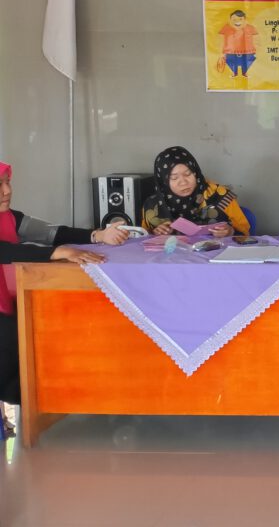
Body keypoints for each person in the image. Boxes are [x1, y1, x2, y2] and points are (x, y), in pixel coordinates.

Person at [0, 161, 118, 413]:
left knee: (25, 367)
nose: (7, 191)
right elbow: (5, 250)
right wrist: (55, 253)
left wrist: (97, 236)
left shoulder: (10, 218)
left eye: (7, 182)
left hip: (7, 306)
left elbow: (52, 233)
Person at [141, 147, 250, 236]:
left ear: (195, 172)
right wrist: (155, 233)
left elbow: (245, 232)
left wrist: (231, 231)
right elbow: (142, 238)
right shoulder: (153, 206)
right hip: (172, 256)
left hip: (216, 254)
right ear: (163, 182)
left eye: (188, 174)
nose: (183, 182)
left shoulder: (221, 196)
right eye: (174, 178)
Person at [217, 9, 259, 78]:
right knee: (231, 61)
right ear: (230, 20)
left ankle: (244, 73)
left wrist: (256, 49)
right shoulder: (226, 27)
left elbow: (256, 39)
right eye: (234, 19)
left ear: (244, 20)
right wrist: (221, 52)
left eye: (240, 19)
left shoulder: (250, 27)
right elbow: (220, 39)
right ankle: (234, 73)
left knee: (246, 62)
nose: (237, 21)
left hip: (247, 51)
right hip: (230, 51)